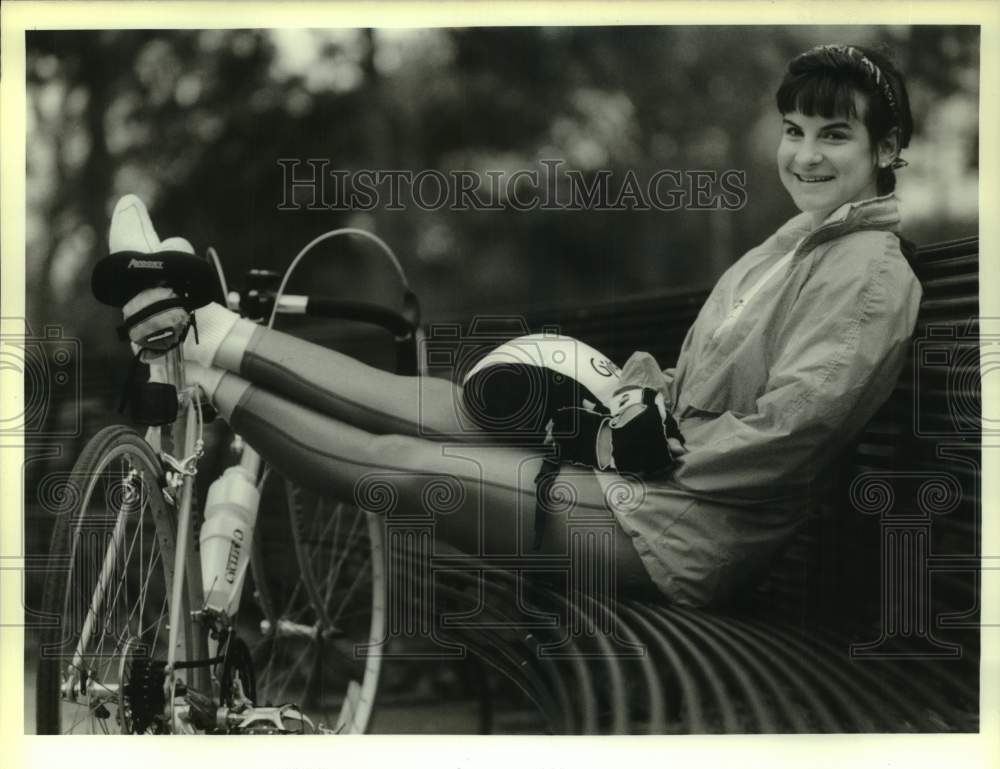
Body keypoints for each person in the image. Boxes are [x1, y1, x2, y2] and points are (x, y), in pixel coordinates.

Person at [103, 43, 921, 608]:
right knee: (439, 406)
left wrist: (661, 457)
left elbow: (794, 432)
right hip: (660, 479)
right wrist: (639, 395)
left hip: (693, 529)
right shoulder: (792, 244)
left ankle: (196, 364)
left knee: (422, 468)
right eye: (794, 131)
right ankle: (205, 333)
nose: (806, 155)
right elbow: (695, 381)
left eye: (835, 136)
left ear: (887, 150)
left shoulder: (870, 276)